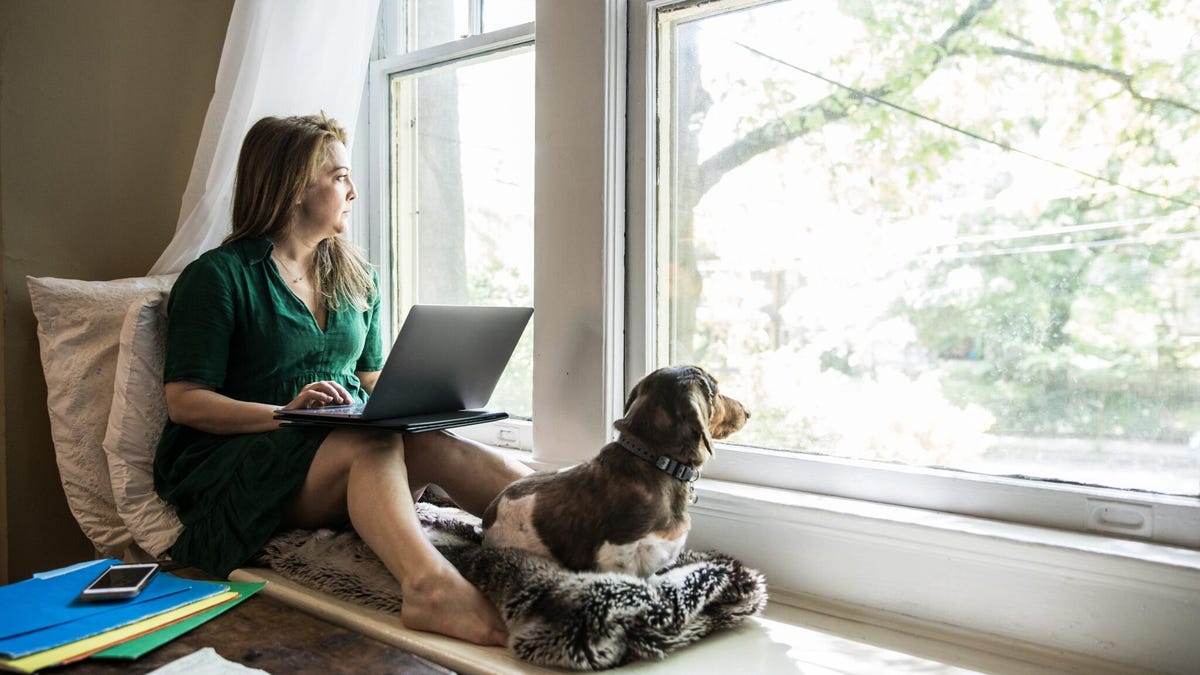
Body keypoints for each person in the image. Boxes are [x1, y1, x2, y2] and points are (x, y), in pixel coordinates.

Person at [153, 113, 532, 646]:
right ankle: (427, 587)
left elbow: (369, 375)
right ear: (292, 187)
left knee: (436, 443)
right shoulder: (217, 277)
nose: (352, 191)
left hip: (338, 439)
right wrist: (287, 413)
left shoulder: (358, 276)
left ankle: (577, 523)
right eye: (339, 176)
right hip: (244, 457)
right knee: (371, 443)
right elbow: (185, 402)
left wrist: (422, 399)